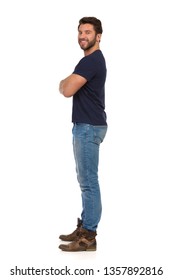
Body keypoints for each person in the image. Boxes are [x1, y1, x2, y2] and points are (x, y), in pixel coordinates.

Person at [58, 17, 108, 252]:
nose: (82, 36)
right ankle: (85, 225)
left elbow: (66, 89)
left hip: (88, 126)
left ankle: (89, 235)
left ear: (98, 36)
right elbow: (69, 87)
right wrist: (67, 81)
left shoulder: (90, 62)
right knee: (85, 181)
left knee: (88, 182)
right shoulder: (89, 62)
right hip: (88, 125)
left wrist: (63, 81)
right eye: (80, 32)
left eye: (87, 32)